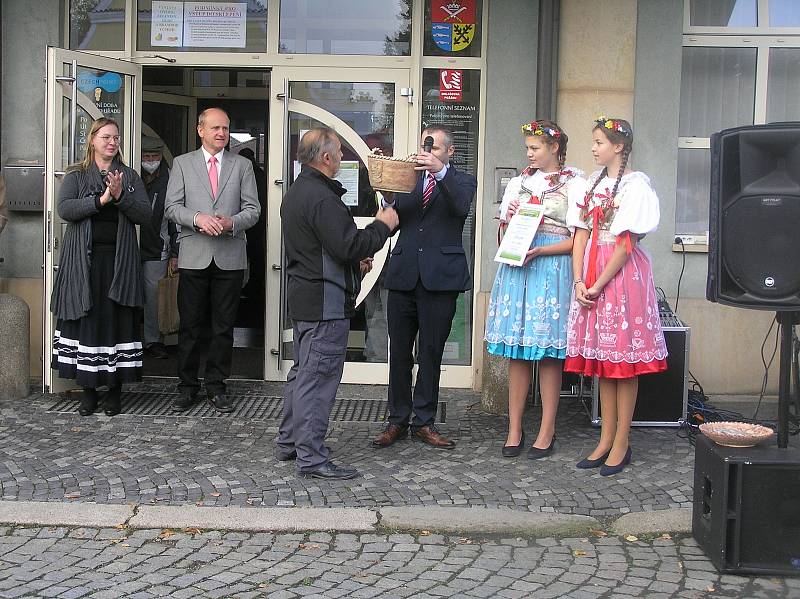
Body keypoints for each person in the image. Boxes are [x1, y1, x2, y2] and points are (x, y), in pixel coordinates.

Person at [276, 127, 398, 480]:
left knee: (302, 375)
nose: (343, 157)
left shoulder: (299, 192)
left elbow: (322, 248)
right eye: (340, 152)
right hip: (325, 303)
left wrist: (350, 261)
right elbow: (347, 245)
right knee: (317, 380)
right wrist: (383, 226)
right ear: (325, 158)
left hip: (307, 297)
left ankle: (291, 441)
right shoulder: (320, 196)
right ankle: (311, 457)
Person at [565, 117, 668, 476]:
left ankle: (622, 440)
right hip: (592, 273)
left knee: (622, 364)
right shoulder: (588, 185)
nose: (593, 148)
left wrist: (598, 284)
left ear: (618, 146)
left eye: (599, 142)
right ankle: (605, 437)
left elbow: (626, 245)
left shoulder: (636, 187)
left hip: (620, 278)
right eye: (593, 142)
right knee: (604, 365)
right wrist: (579, 280)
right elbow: (580, 236)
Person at [484, 120, 588, 459]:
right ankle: (514, 426)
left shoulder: (576, 183)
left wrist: (542, 249)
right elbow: (502, 239)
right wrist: (510, 219)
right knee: (517, 351)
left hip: (551, 267)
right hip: (519, 267)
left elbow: (579, 240)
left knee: (547, 353)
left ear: (554, 148)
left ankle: (547, 428)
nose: (529, 153)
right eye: (528, 147)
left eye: (535, 147)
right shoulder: (519, 182)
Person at [372, 125, 477, 450]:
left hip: (440, 278)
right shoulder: (411, 177)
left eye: (433, 147)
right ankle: (397, 420)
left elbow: (460, 206)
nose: (426, 152)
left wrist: (441, 173)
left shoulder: (461, 180)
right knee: (399, 353)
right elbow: (397, 214)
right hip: (404, 274)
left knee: (431, 352)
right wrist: (387, 183)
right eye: (423, 146)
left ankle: (424, 421)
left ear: (449, 152)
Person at [50, 117, 152, 416]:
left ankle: (114, 391)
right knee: (88, 323)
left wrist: (120, 198)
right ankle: (89, 391)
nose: (112, 142)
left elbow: (144, 214)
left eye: (116, 138)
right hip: (84, 263)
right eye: (106, 137)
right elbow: (65, 209)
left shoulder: (129, 176)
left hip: (119, 263)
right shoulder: (77, 175)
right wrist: (101, 199)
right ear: (92, 140)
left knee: (116, 323)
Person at [164, 108, 261, 414]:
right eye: (216, 128)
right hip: (194, 255)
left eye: (226, 128)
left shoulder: (243, 165)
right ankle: (187, 387)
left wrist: (230, 222)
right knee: (190, 326)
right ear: (200, 130)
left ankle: (217, 387)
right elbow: (171, 208)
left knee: (222, 328)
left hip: (229, 256)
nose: (222, 133)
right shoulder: (182, 164)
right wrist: (197, 218)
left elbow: (254, 210)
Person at [139, 135, 178, 359]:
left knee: (154, 297)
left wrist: (175, 251)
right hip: (130, 247)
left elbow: (174, 218)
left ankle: (153, 341)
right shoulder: (130, 174)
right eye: (146, 156)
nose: (151, 160)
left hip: (157, 248)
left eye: (154, 156)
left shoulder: (170, 177)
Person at [237, 147, 266, 307]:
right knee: (255, 256)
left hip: (247, 222)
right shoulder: (260, 174)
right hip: (257, 222)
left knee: (246, 255)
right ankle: (254, 285)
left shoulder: (245, 173)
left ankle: (250, 286)